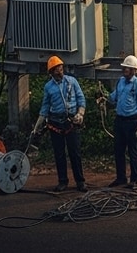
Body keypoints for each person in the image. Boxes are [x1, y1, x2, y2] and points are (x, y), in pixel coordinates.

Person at [34, 54, 88, 192]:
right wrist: (38, 125)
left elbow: (81, 98)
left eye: (61, 68)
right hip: (55, 123)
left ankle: (80, 181)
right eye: (57, 69)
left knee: (75, 152)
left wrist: (80, 113)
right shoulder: (48, 87)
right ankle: (62, 181)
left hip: (71, 122)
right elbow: (45, 106)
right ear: (51, 72)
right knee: (59, 153)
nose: (60, 71)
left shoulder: (72, 82)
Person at [107, 54, 137, 189]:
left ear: (133, 70)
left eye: (128, 68)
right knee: (119, 150)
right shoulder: (120, 81)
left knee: (133, 151)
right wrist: (105, 98)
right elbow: (114, 96)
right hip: (120, 120)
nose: (125, 70)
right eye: (124, 67)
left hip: (132, 121)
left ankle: (135, 178)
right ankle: (121, 178)